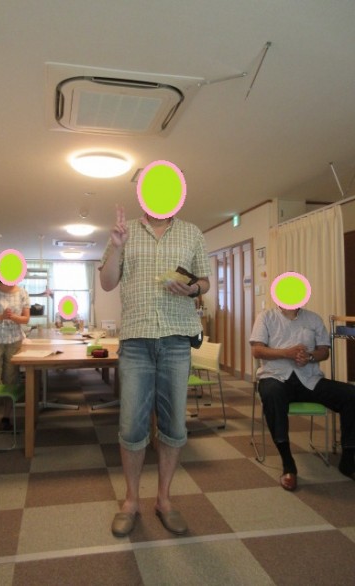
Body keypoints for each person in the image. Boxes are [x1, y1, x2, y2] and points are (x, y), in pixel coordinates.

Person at [100, 205, 210, 537]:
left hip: (177, 339)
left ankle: (164, 499)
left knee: (174, 424)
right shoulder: (124, 232)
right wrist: (116, 246)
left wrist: (192, 288)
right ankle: (131, 501)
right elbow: (107, 283)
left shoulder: (192, 232)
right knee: (131, 425)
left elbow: (204, 281)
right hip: (136, 339)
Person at [250, 306, 355, 491]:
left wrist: (310, 356)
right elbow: (257, 350)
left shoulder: (314, 318)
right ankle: (288, 464)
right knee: (272, 393)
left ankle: (348, 459)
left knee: (350, 394)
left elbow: (324, 351)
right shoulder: (265, 317)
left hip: (309, 379)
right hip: (275, 377)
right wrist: (286, 353)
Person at [0, 280, 30, 431]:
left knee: (11, 378)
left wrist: (13, 317)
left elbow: (26, 318)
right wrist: (1, 316)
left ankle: (6, 417)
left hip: (14, 340)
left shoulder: (22, 292)